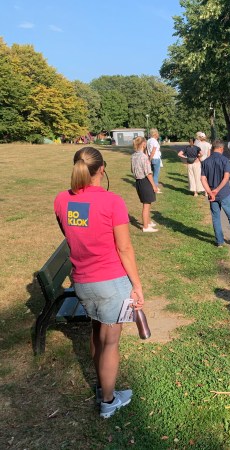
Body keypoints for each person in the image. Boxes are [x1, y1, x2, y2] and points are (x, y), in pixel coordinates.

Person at [54, 147, 146, 418]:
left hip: (83, 282)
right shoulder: (112, 201)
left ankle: (103, 387)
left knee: (97, 332)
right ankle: (108, 400)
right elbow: (124, 248)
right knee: (110, 342)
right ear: (102, 169)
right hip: (111, 283)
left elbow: (70, 235)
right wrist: (137, 285)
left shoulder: (61, 200)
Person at [131, 136, 158, 232]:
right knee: (146, 205)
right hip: (145, 181)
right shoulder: (143, 157)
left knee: (148, 202)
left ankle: (148, 222)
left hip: (138, 182)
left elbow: (132, 170)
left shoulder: (133, 156)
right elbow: (148, 173)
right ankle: (146, 227)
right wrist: (154, 185)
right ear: (143, 144)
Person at [147, 128, 162, 193]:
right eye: (157, 133)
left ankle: (152, 186)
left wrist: (149, 159)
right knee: (156, 175)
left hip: (151, 158)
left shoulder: (148, 140)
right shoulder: (155, 141)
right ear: (155, 134)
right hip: (155, 158)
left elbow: (147, 150)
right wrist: (150, 159)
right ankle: (155, 188)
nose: (158, 134)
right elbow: (153, 151)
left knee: (152, 174)